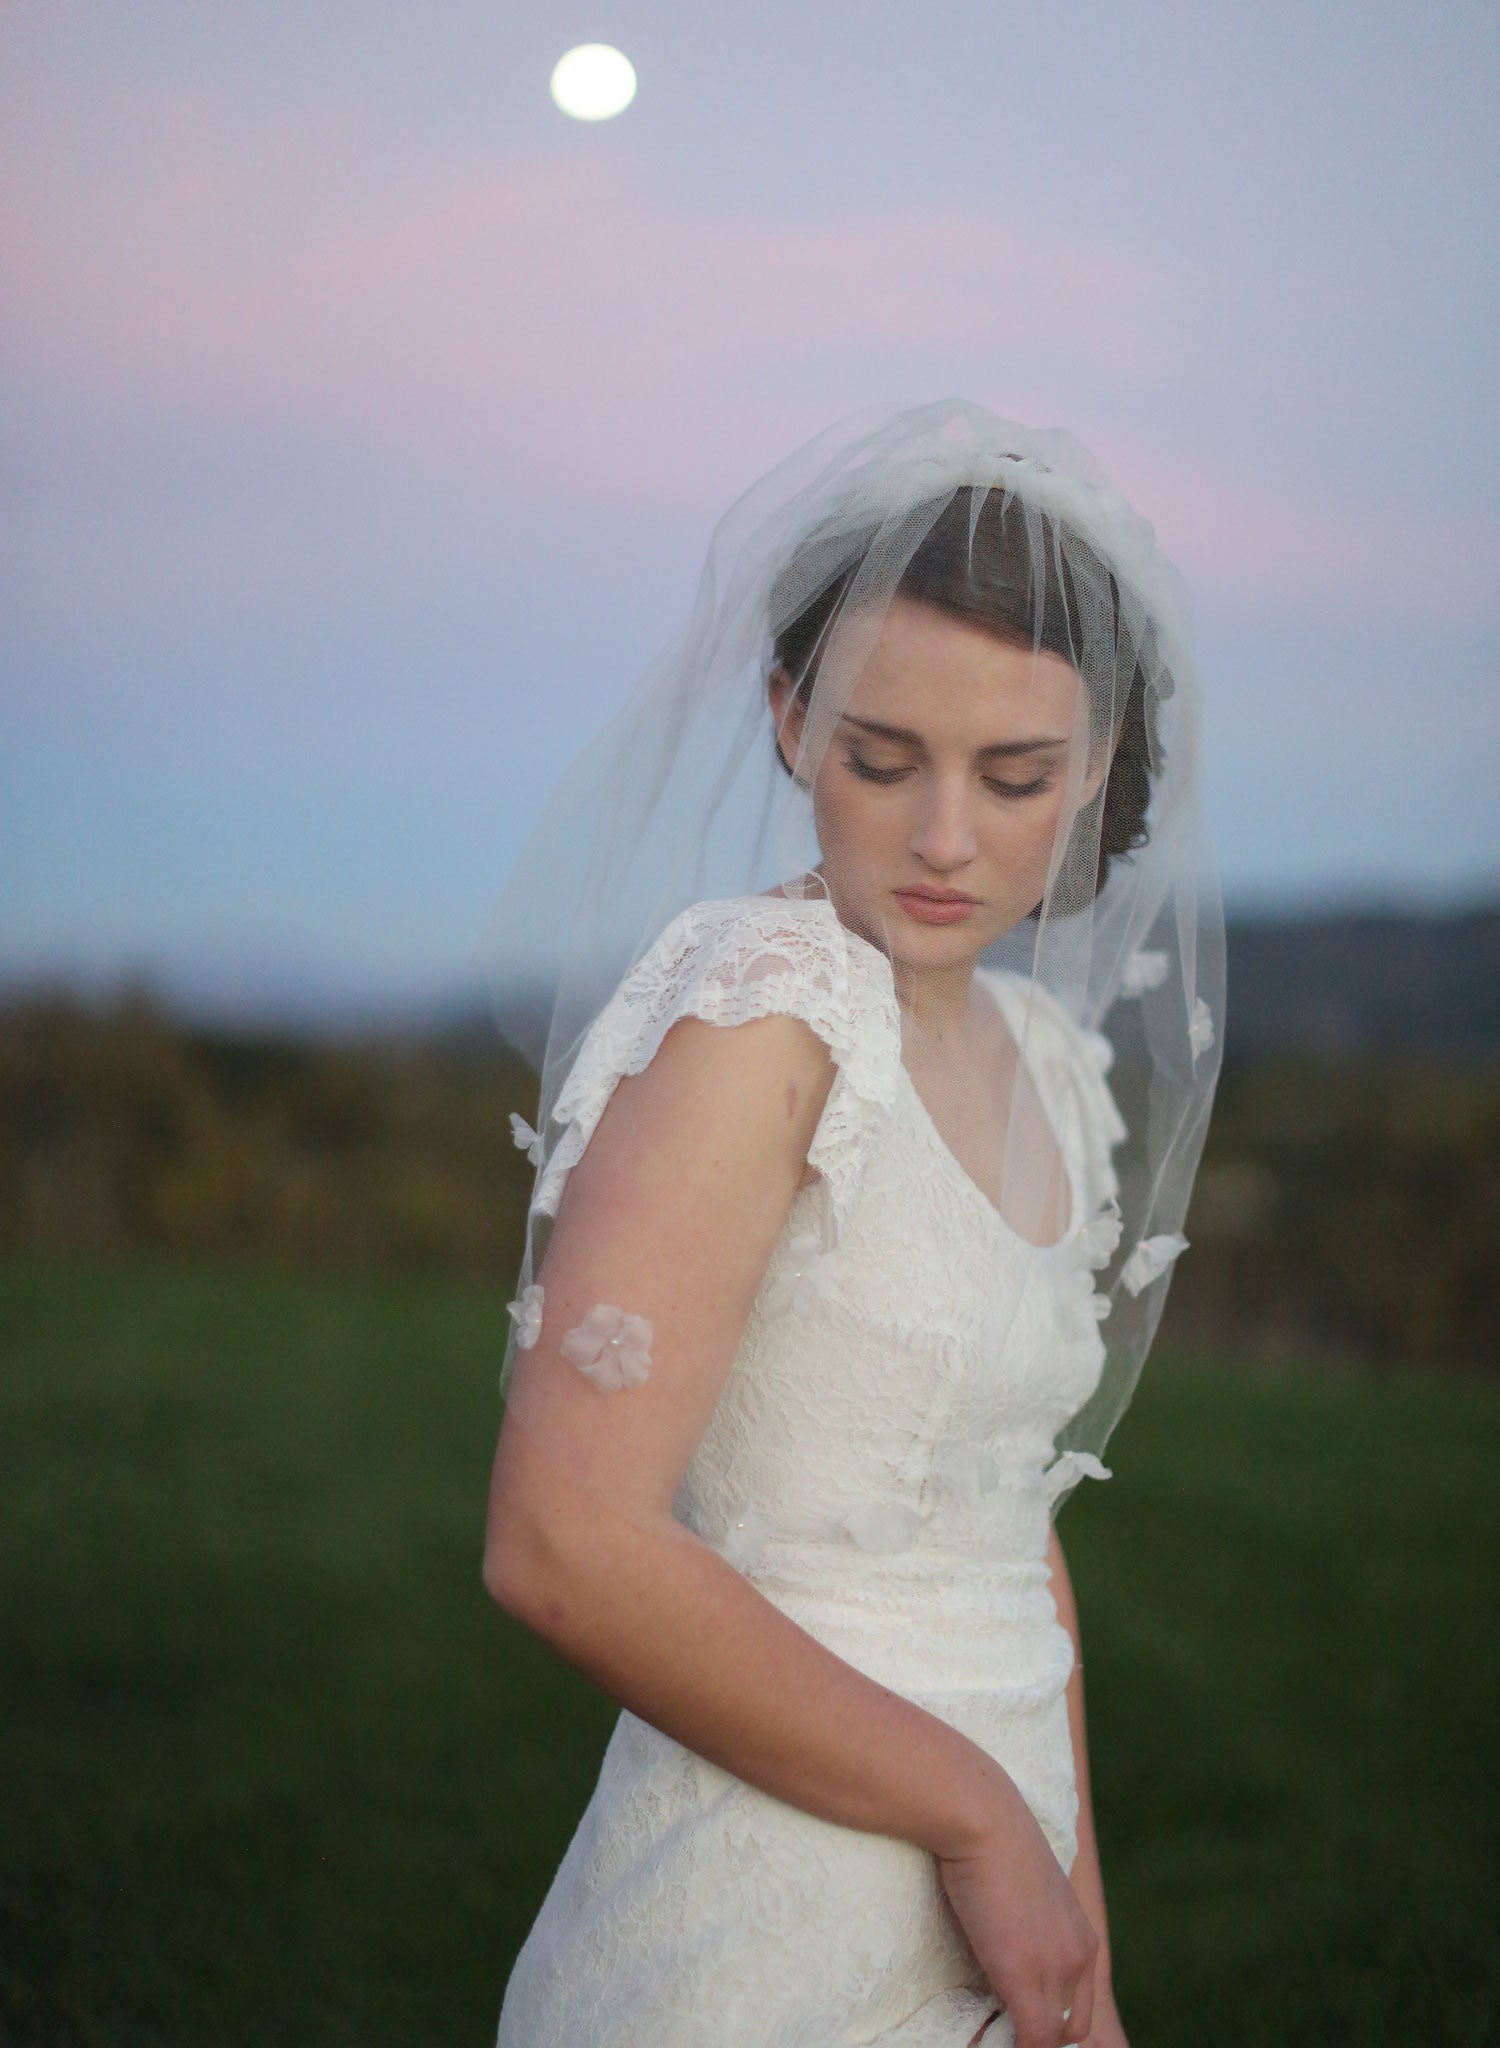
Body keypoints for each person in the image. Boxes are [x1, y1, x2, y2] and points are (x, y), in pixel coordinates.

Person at [476, 399, 1223, 2047]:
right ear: (789, 720)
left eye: (1016, 774)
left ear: (1096, 765)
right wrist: (967, 1812)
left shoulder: (1043, 1060)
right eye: (883, 758)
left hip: (1004, 1909)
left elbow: (1009, 1533)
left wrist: (1077, 1937)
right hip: (762, 1915)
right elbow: (559, 1541)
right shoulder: (763, 1021)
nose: (945, 837)